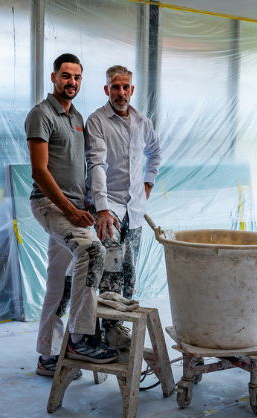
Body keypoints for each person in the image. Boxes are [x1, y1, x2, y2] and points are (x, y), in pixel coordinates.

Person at [25, 53, 119, 377]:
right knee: (92, 251)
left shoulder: (77, 118)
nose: (72, 83)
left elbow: (82, 169)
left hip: (74, 208)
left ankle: (48, 357)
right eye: (66, 76)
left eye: (77, 78)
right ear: (53, 78)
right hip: (50, 205)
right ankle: (80, 338)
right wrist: (72, 211)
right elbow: (39, 172)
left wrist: (90, 206)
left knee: (57, 282)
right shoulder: (41, 114)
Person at [84, 65, 162, 349]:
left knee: (129, 271)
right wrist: (102, 209)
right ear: (107, 90)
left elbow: (155, 153)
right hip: (110, 208)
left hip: (136, 210)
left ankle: (121, 328)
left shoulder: (143, 122)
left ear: (132, 89)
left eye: (125, 87)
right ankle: (110, 328)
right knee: (111, 267)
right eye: (115, 87)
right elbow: (97, 164)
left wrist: (148, 184)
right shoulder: (97, 121)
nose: (120, 92)